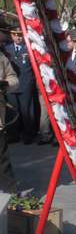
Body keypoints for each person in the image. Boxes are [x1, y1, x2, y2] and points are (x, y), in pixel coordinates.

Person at [5, 27, 37, 144]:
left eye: (20, 35)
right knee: (13, 111)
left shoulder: (29, 48)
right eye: (15, 35)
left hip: (25, 83)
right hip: (11, 84)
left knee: (27, 110)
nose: (18, 37)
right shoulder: (6, 49)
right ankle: (13, 134)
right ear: (11, 35)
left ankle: (29, 134)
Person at [0, 52, 19, 193]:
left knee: (2, 158)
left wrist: (6, 84)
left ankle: (10, 193)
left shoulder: (1, 57)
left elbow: (13, 79)